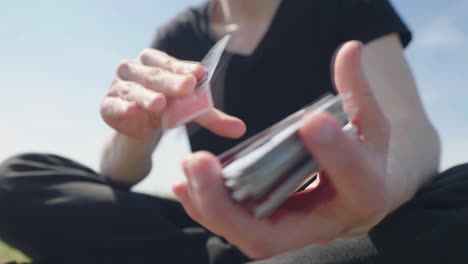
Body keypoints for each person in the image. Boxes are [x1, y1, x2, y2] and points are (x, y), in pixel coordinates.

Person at [0, 0, 461, 263]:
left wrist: (377, 194)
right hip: (210, 225)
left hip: (344, 220)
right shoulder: (179, 34)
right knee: (16, 179)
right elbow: (117, 175)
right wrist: (134, 130)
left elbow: (411, 129)